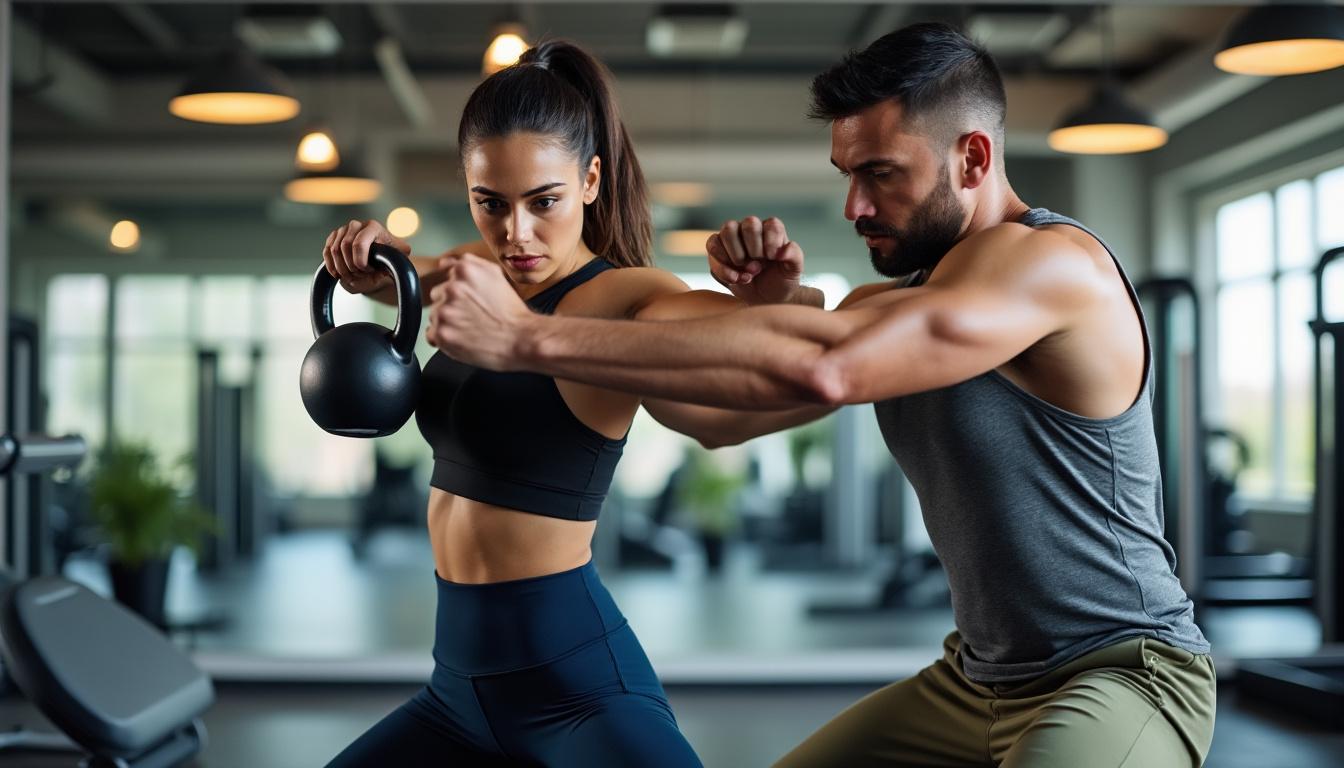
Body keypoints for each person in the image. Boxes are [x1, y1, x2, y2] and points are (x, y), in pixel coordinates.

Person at [424, 23, 1217, 768]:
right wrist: (773, 308)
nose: (855, 207)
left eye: (880, 174)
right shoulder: (909, 300)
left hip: (1124, 672)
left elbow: (830, 367)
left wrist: (526, 339)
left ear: (972, 158)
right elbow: (730, 421)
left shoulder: (1050, 265)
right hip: (977, 681)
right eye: (847, 176)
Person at [319, 40, 821, 768]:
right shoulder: (480, 269)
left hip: (576, 694)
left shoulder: (632, 298)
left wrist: (781, 306)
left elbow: (716, 419)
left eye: (543, 202)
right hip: (456, 692)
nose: (515, 234)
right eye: (489, 203)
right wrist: (367, 255)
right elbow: (412, 270)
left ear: (589, 181)